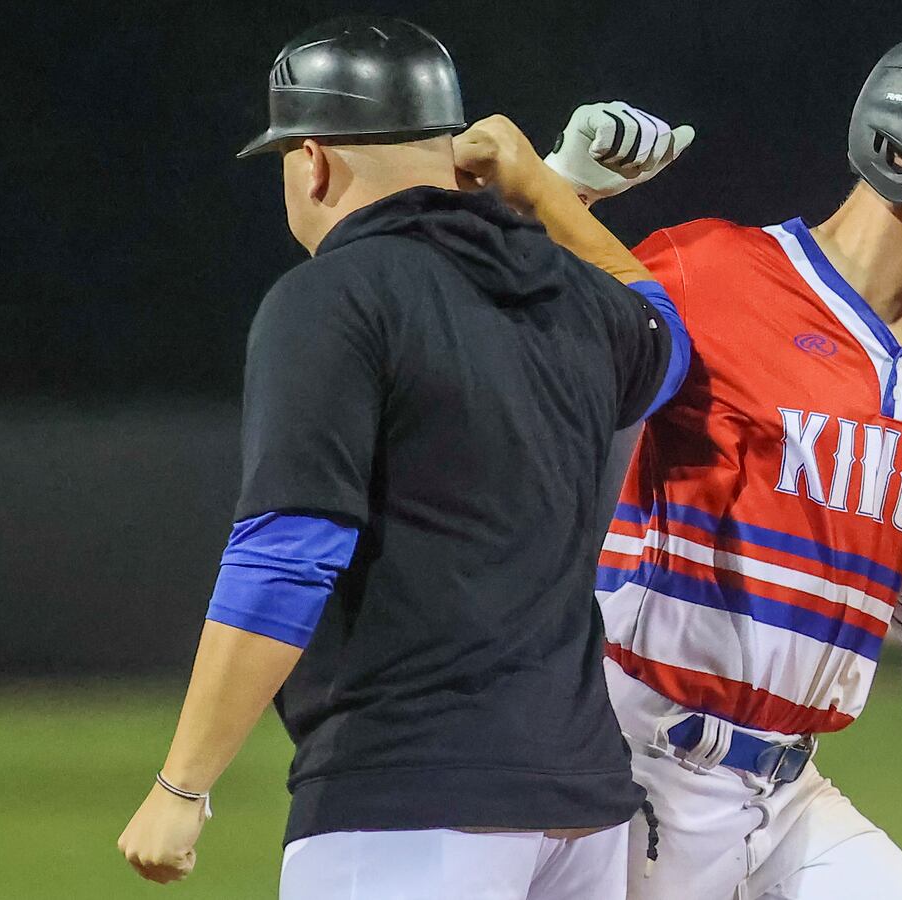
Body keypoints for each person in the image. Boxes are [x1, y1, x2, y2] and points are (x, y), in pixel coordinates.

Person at [114, 16, 693, 900]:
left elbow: (287, 554)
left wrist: (181, 785)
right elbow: (667, 340)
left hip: (408, 800)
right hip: (583, 806)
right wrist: (548, 190)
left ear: (313, 160)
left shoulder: (331, 297)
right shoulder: (565, 297)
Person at [543, 30, 902, 900]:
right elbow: (488, 342)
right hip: (635, 763)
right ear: (901, 149)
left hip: (790, 787)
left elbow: (808, 493)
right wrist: (560, 189)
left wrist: (891, 572)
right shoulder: (715, 271)